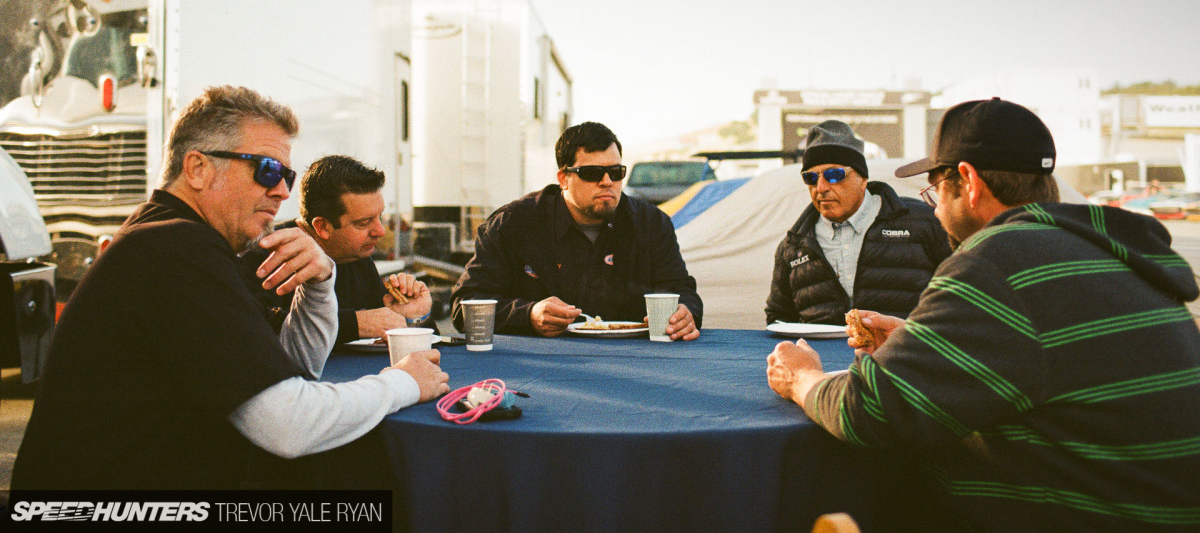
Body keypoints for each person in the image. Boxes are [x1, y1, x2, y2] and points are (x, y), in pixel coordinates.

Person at [767, 98, 1200, 530]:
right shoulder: (1100, 252)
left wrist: (802, 378)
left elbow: (871, 411)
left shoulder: (998, 260)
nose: (934, 209)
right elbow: (1044, 354)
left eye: (936, 191)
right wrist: (923, 339)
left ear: (969, 182)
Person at [12, 86, 450, 490]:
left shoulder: (175, 238)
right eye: (266, 169)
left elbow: (293, 369)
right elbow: (289, 426)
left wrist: (319, 285)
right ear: (198, 168)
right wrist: (402, 382)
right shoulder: (174, 248)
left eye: (287, 176)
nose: (281, 191)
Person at [450, 121, 702, 339]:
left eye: (616, 172)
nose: (607, 181)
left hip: (635, 360)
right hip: (539, 364)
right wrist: (528, 315)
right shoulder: (513, 225)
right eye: (592, 173)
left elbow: (682, 290)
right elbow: (465, 307)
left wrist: (686, 314)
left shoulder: (650, 224)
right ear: (563, 178)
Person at [764, 119, 951, 325]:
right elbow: (778, 317)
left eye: (834, 175)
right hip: (822, 358)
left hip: (904, 355)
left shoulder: (923, 222)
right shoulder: (793, 246)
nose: (821, 187)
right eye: (811, 178)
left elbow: (959, 300)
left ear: (862, 179)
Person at [242, 155, 435, 345]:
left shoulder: (356, 255)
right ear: (323, 227)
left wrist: (414, 317)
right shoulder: (265, 256)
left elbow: (387, 327)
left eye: (379, 217)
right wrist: (355, 324)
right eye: (364, 223)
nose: (380, 231)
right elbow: (254, 332)